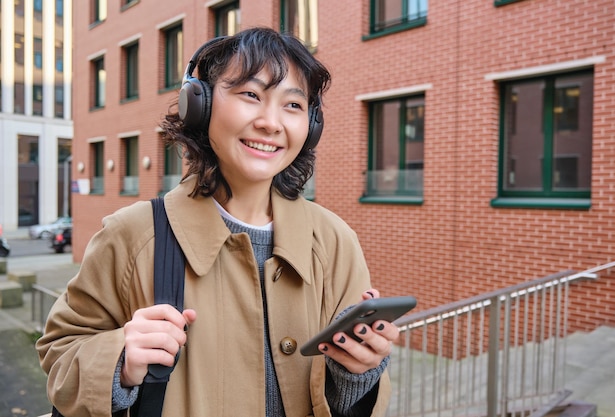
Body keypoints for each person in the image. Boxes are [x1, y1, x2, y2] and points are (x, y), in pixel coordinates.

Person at [37, 27, 398, 417]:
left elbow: (349, 401)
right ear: (200, 104)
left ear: (310, 127)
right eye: (251, 95)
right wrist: (120, 362)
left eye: (292, 105)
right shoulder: (134, 234)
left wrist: (358, 372)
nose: (271, 123)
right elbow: (61, 353)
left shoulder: (334, 240)